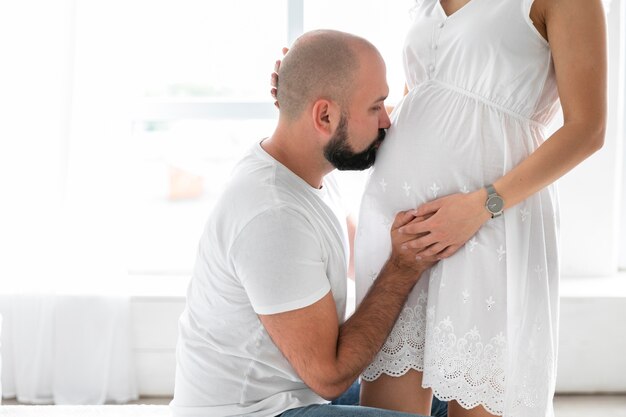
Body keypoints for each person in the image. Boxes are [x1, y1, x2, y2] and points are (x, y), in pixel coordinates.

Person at [275, 1, 606, 417]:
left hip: (491, 223)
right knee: (388, 413)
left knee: (484, 396)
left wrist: (482, 206)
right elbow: (426, 108)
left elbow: (587, 129)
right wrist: (307, 92)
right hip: (400, 230)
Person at [170, 29, 445, 417]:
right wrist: (403, 267)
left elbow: (355, 253)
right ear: (325, 116)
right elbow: (329, 376)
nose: (387, 121)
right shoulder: (272, 213)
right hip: (256, 412)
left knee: (456, 398)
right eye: (376, 107)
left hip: (299, 396)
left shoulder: (307, 171)